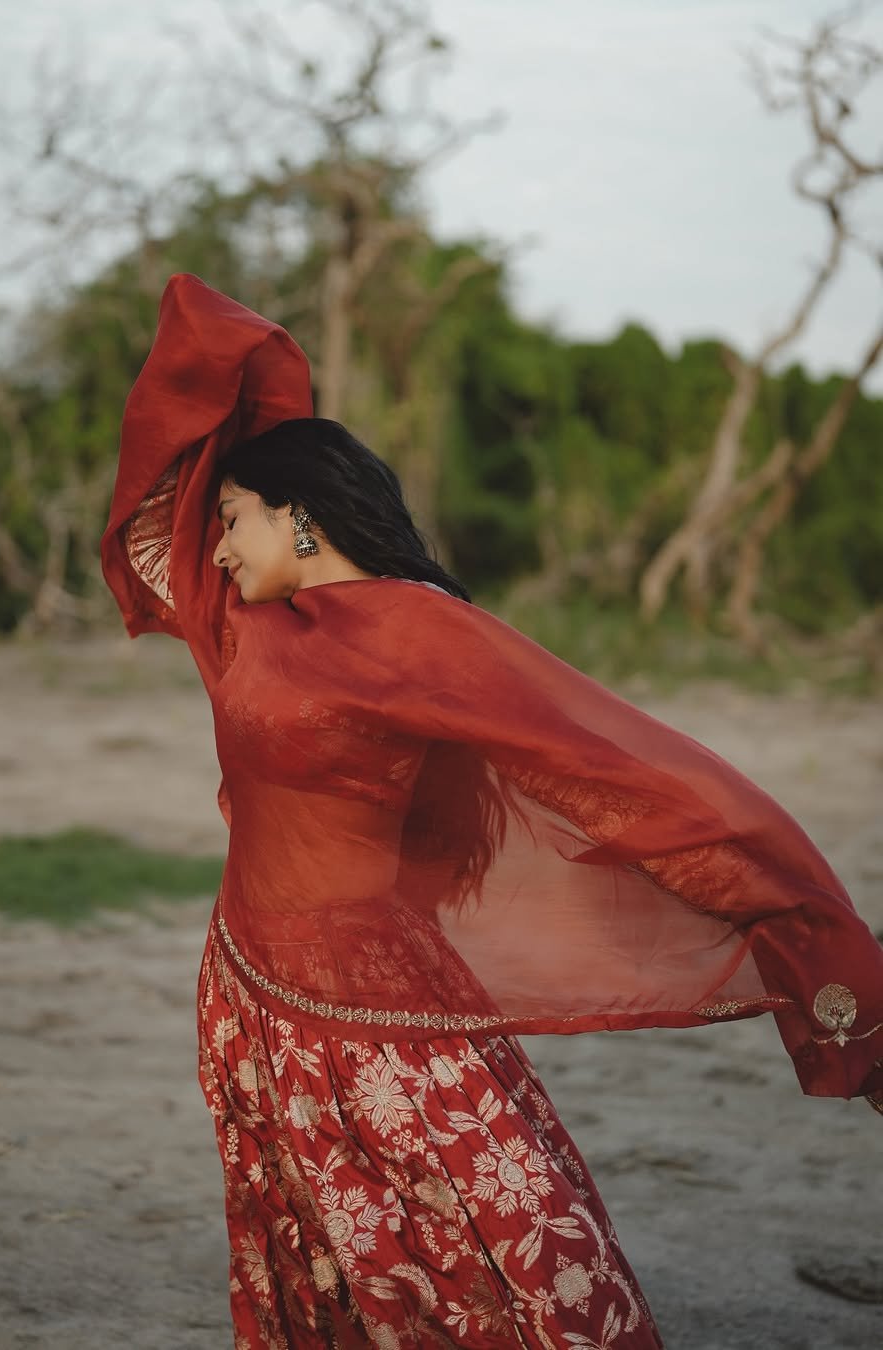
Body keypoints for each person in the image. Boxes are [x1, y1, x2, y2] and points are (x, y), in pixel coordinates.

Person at [101, 273, 883, 1349]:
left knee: (505, 1227)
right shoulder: (246, 626)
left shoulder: (425, 634)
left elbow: (619, 780)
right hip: (251, 994)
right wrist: (238, 375)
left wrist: (794, 918)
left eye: (241, 522)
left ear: (303, 516)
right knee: (316, 1243)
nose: (222, 549)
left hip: (374, 999)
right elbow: (166, 506)